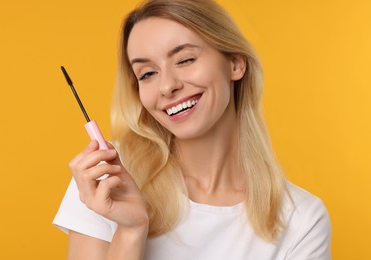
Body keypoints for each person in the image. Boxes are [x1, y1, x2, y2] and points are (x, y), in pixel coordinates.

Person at [53, 0, 331, 259]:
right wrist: (130, 231)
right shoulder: (106, 178)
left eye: (185, 59)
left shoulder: (302, 219)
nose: (166, 86)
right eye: (147, 74)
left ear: (235, 63)